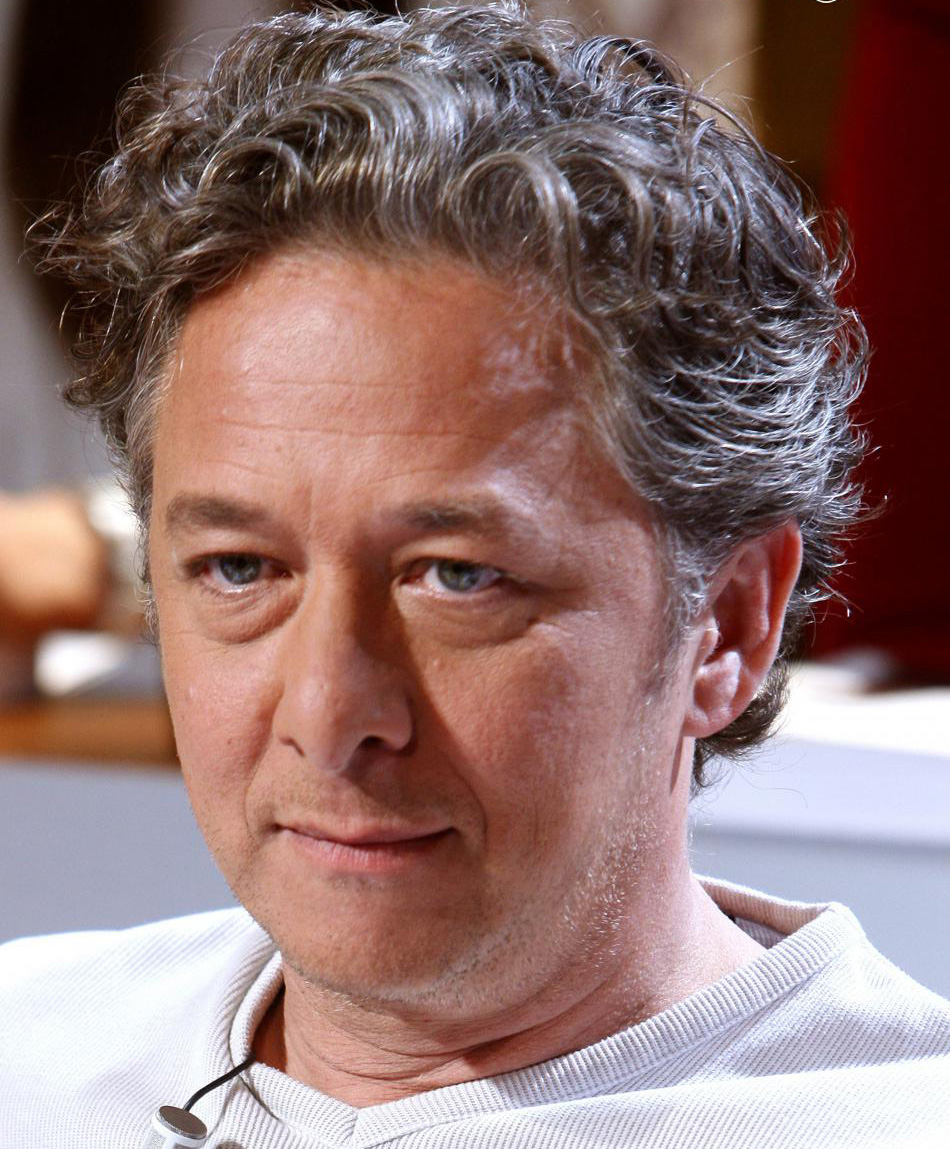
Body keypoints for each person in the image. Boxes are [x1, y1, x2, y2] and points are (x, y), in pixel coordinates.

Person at [2, 4, 948, 1146]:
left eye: (456, 577)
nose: (328, 716)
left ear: (728, 624)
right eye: (240, 567)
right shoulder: (28, 1049)